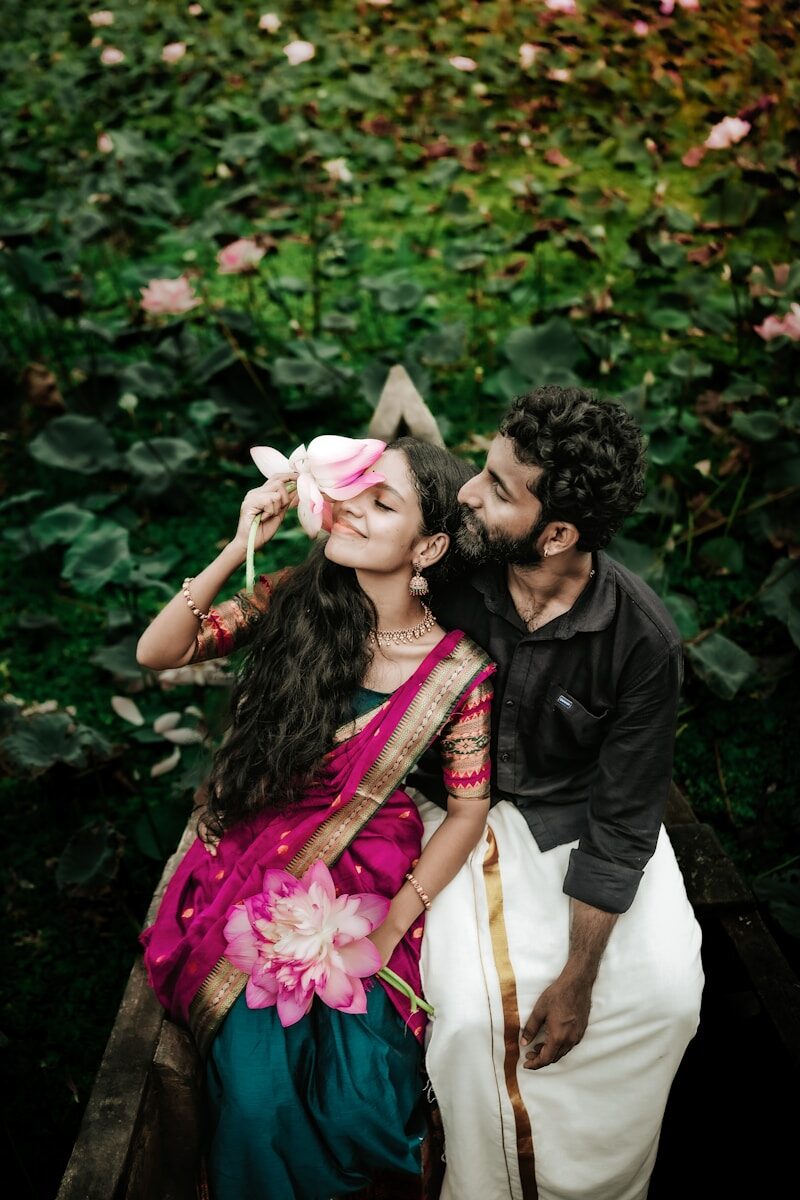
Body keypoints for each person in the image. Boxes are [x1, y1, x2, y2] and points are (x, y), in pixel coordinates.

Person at [136, 437, 495, 1200]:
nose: (350, 510)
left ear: (429, 545)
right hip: (259, 862)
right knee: (257, 1085)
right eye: (352, 491)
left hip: (372, 875)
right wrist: (239, 548)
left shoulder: (457, 671)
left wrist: (394, 924)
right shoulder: (293, 596)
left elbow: (467, 809)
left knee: (367, 1085)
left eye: (381, 502)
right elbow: (157, 651)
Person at [408, 386, 705, 1200]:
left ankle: (604, 1187)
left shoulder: (641, 640)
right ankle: (482, 1184)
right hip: (450, 806)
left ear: (560, 533)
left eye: (501, 488)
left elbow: (622, 818)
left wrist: (580, 974)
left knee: (668, 999)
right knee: (470, 1019)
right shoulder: (451, 565)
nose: (470, 490)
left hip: (577, 820)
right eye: (485, 467)